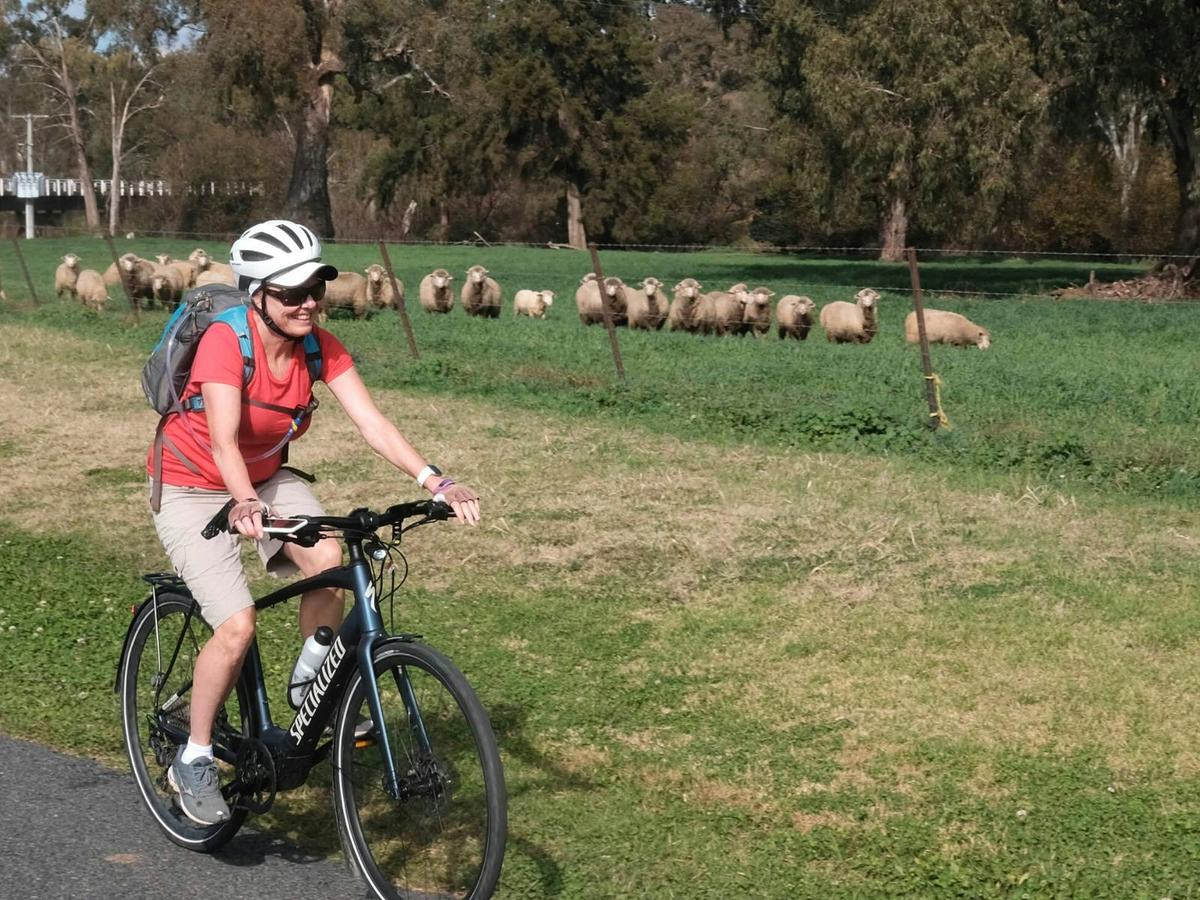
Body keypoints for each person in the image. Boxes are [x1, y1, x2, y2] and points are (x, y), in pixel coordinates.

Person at [146, 219, 480, 826]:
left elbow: (372, 423)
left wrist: (435, 479)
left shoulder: (318, 345)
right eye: (292, 292)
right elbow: (222, 440)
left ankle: (311, 681)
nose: (308, 302)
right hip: (194, 486)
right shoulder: (227, 340)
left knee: (332, 561)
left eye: (316, 288)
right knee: (237, 624)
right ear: (258, 294)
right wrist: (245, 503)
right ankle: (193, 757)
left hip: (266, 477)